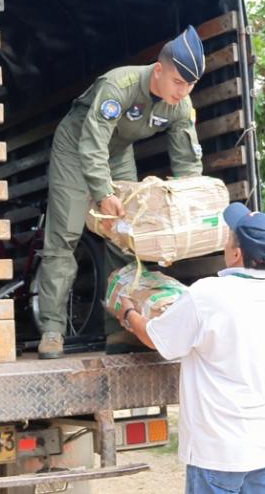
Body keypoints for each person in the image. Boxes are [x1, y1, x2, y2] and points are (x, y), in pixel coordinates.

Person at [35, 26, 207, 359]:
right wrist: (102, 193)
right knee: (65, 234)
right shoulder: (120, 86)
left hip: (118, 153)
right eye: (178, 82)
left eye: (191, 85)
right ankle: (52, 329)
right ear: (158, 70)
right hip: (76, 147)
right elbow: (92, 143)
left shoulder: (180, 104)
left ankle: (118, 328)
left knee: (127, 235)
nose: (184, 91)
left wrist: (186, 217)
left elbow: (188, 164)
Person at [113, 203, 265, 494]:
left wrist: (127, 313)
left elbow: (155, 338)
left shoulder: (207, 294)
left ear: (237, 254)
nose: (226, 242)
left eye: (229, 237)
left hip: (218, 450)